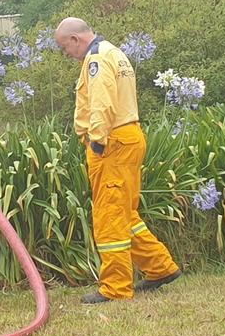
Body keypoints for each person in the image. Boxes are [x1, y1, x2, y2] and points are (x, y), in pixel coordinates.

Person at [54, 17, 182, 304]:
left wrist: (97, 140)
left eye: (65, 48)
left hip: (111, 142)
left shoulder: (96, 59)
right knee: (124, 212)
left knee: (109, 215)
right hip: (128, 137)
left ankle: (115, 287)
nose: (67, 54)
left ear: (75, 40)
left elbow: (102, 101)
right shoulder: (115, 52)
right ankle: (159, 267)